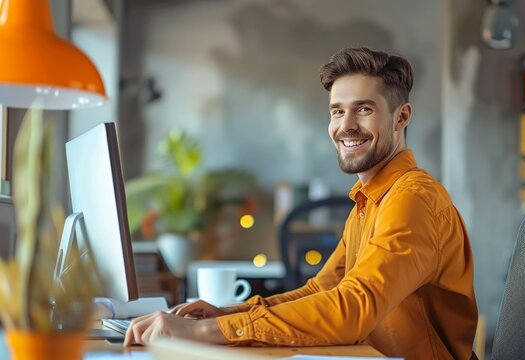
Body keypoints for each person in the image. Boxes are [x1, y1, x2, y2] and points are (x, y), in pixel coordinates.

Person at [125, 47, 478, 360]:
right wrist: (225, 316)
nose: (346, 126)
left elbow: (354, 307)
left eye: (364, 110)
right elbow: (322, 289)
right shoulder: (368, 203)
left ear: (401, 117)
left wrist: (202, 333)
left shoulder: (412, 198)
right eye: (337, 112)